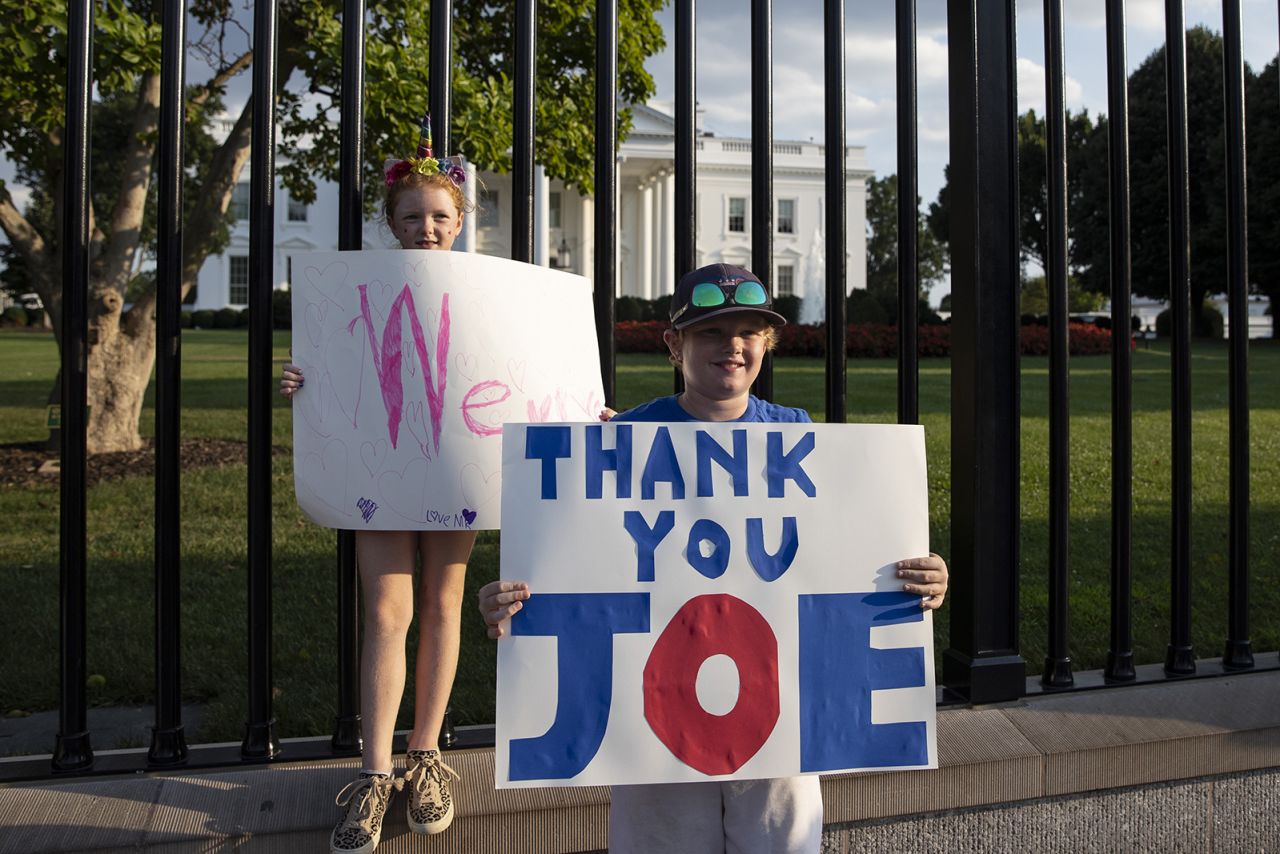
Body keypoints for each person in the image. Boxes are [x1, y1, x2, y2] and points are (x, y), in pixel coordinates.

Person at [478, 262, 950, 854]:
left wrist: (918, 576)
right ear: (674, 344)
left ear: (767, 344)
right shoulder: (623, 439)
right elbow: (572, 564)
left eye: (749, 332)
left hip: (778, 719)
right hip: (653, 721)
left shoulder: (799, 436)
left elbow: (844, 557)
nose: (732, 347)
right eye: (710, 333)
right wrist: (512, 601)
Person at [281, 114, 473, 854]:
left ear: (458, 223)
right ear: (391, 223)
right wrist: (307, 381)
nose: (428, 227)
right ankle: (375, 771)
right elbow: (342, 361)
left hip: (455, 458)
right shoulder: (356, 285)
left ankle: (426, 756)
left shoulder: (491, 292)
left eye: (440, 217)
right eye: (413, 217)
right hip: (379, 459)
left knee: (443, 602)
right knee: (388, 611)